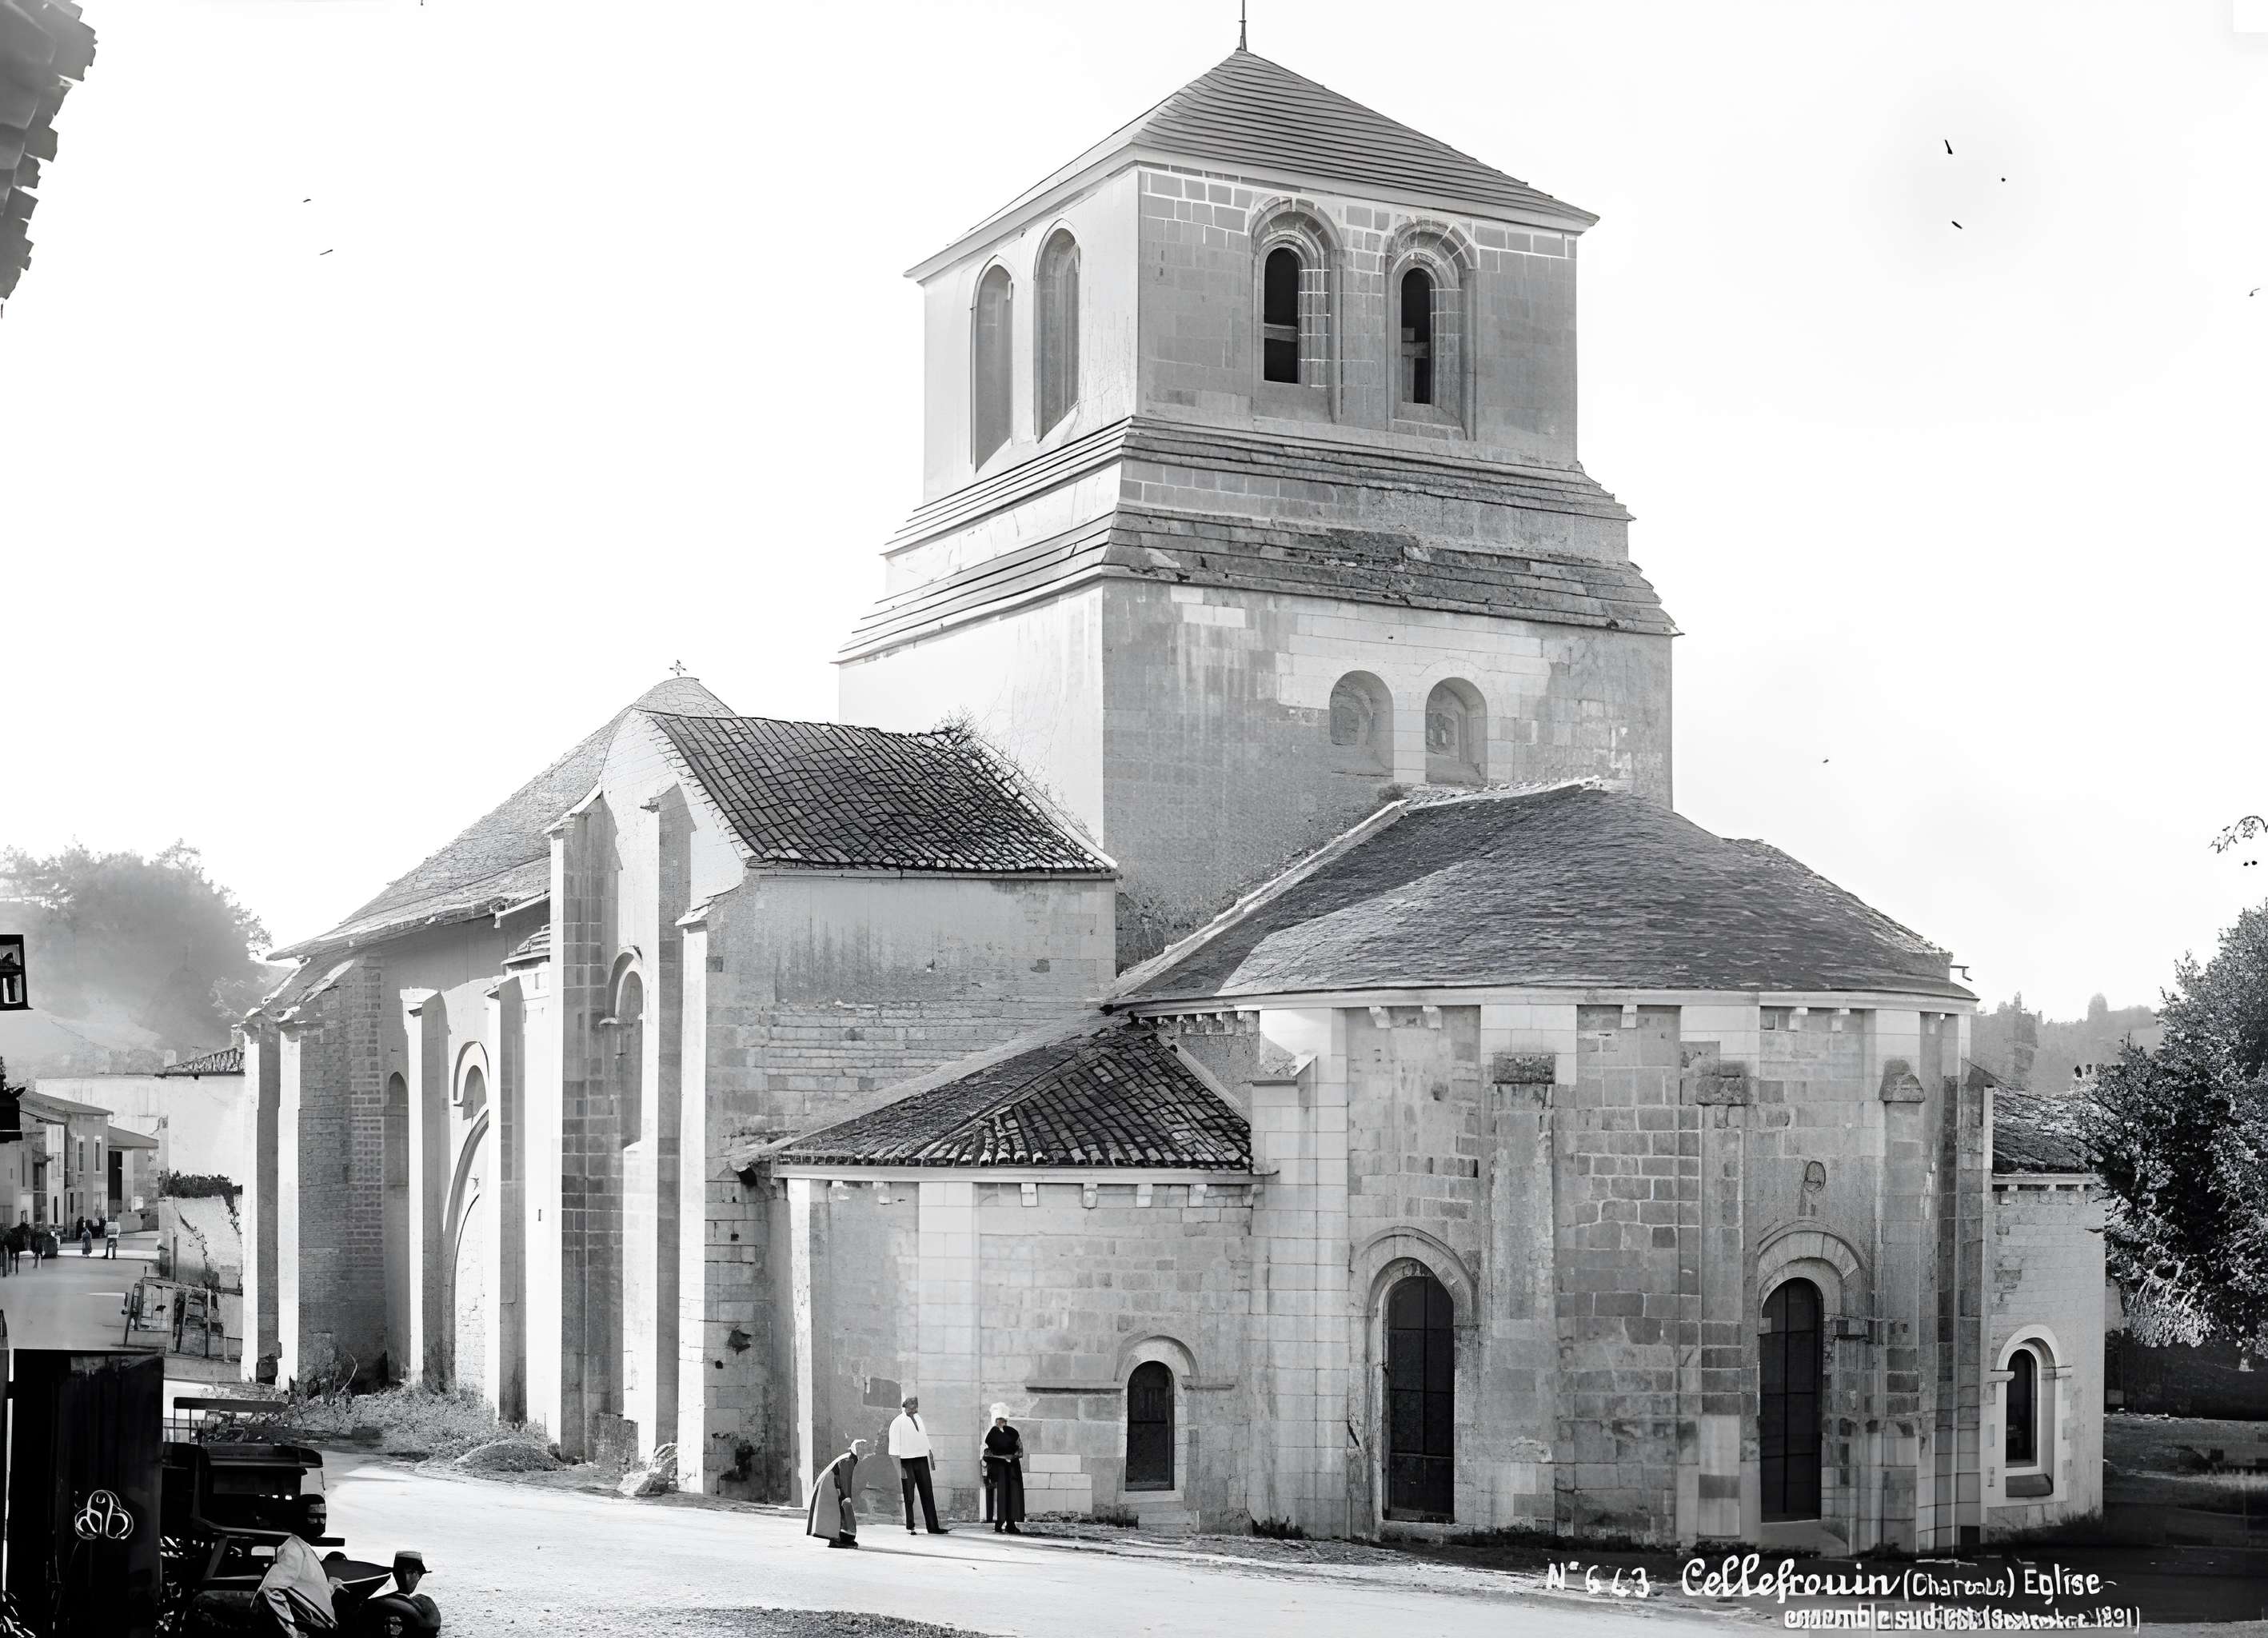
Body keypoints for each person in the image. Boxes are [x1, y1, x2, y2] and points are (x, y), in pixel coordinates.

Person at [887, 1394, 948, 1535]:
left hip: (921, 1460)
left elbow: (924, 1438)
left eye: (916, 1405)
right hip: (906, 1461)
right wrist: (899, 1469)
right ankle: (910, 1526)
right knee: (909, 1495)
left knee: (927, 1492)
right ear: (906, 1406)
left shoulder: (919, 1418)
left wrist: (930, 1456)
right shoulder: (898, 1422)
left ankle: (933, 1527)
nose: (915, 1408)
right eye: (912, 1405)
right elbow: (894, 1449)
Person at [806, 1437, 867, 1548]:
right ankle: (839, 1539)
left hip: (832, 1485)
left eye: (864, 1448)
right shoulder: (848, 1460)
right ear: (854, 1449)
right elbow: (845, 1479)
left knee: (839, 1513)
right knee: (838, 1513)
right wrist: (846, 1496)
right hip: (830, 1485)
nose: (862, 1451)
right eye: (860, 1448)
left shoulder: (851, 1458)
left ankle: (840, 1538)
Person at [983, 1404, 1024, 1534]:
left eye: (1003, 1419)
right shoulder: (991, 1435)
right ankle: (999, 1522)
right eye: (999, 1419)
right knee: (1002, 1495)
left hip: (1013, 1468)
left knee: (1014, 1495)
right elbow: (987, 1454)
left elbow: (1020, 1449)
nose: (1001, 1422)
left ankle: (1011, 1523)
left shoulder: (1012, 1432)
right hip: (999, 1470)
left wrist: (1012, 1457)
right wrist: (1002, 1458)